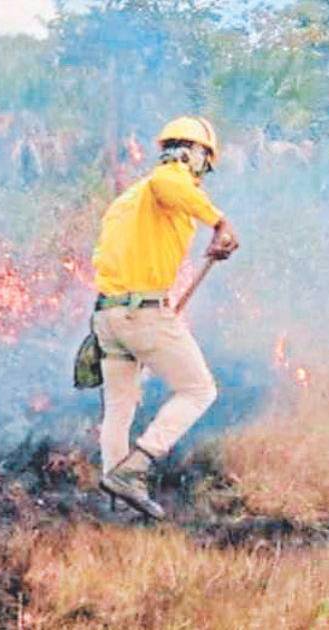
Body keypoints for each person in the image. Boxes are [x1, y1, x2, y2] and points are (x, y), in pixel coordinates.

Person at [90, 116, 240, 519]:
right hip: (142, 314)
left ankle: (116, 499)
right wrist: (220, 222)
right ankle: (136, 467)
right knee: (199, 390)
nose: (202, 174)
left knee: (119, 408)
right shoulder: (167, 180)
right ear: (194, 153)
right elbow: (169, 183)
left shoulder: (130, 199)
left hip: (109, 315)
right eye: (205, 163)